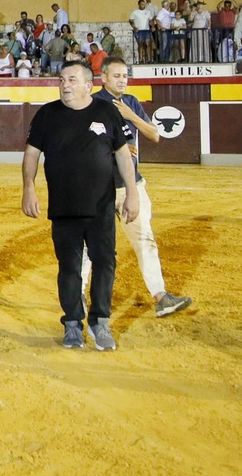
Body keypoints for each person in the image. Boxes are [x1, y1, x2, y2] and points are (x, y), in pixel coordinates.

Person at [22, 61, 138, 350]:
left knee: (105, 262)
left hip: (101, 206)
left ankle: (100, 321)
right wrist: (28, 188)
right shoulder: (47, 115)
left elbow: (124, 156)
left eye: (72, 80)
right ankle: (72, 323)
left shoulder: (107, 112)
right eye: (62, 80)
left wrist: (132, 193)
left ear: (88, 85)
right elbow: (31, 154)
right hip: (64, 207)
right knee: (69, 267)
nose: (65, 85)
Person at [86, 58, 193, 318]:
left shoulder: (131, 102)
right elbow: (85, 147)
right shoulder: (92, 105)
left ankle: (161, 296)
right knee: (90, 246)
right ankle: (77, 294)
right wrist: (116, 149)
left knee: (145, 238)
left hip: (131, 186)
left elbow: (155, 135)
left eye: (125, 76)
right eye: (117, 76)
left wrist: (131, 115)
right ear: (104, 78)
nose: (122, 80)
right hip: (98, 188)